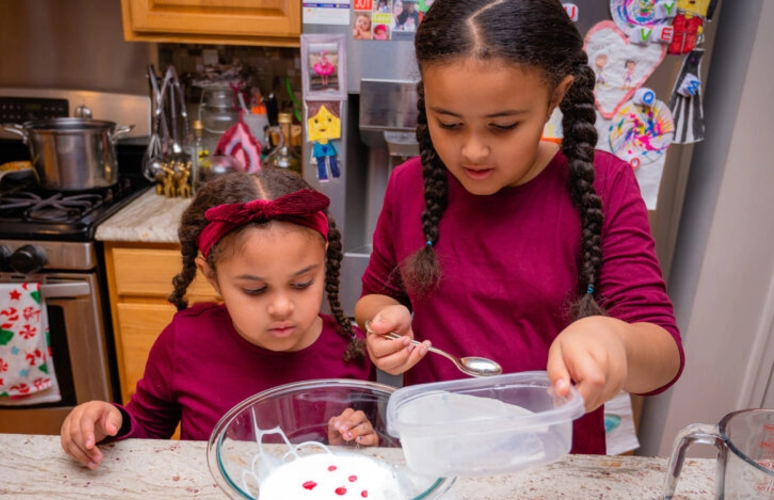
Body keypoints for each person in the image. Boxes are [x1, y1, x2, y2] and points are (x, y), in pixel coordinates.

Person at [356, 0, 683, 455]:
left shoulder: (606, 185)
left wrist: (615, 340)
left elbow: (664, 359)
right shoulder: (407, 185)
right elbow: (376, 296)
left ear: (555, 95)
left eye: (504, 126)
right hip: (438, 452)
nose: (472, 152)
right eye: (448, 123)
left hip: (555, 460)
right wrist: (383, 323)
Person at [62, 169, 375, 469]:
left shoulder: (353, 350)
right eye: (254, 289)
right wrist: (108, 422)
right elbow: (146, 430)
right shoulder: (185, 341)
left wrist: (354, 447)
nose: (281, 307)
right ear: (211, 276)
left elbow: (367, 445)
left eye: (302, 284)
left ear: (324, 261)